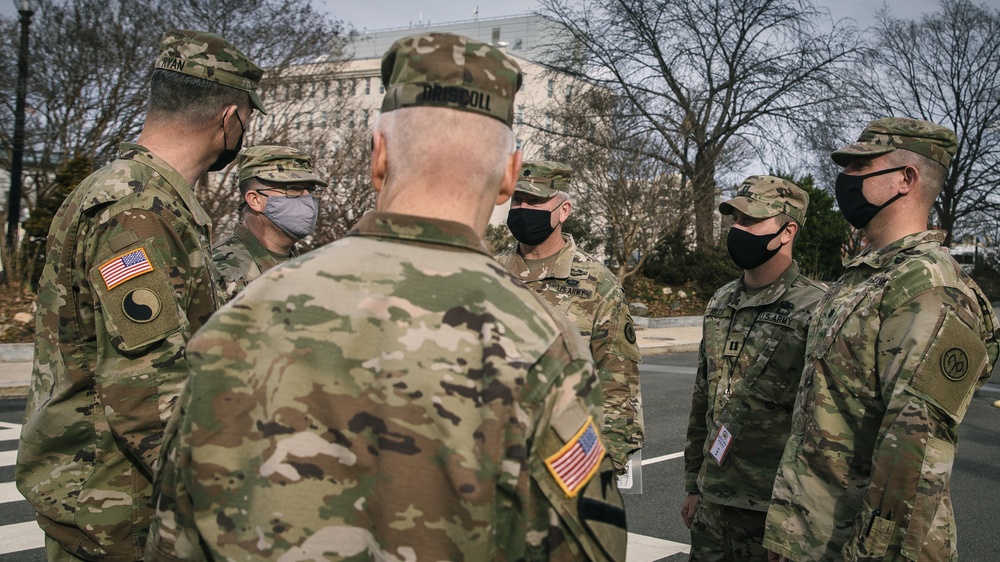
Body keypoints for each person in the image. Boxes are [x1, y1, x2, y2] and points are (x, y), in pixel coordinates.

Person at [145, 32, 627, 561]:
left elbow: (176, 534)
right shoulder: (542, 340)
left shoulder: (244, 314)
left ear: (378, 157)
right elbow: (587, 547)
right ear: (509, 178)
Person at [14, 29, 264, 561]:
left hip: (116, 507)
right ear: (230, 118)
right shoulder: (137, 207)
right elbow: (148, 392)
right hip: (122, 518)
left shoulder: (136, 194)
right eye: (249, 117)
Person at [763, 118, 1000, 561]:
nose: (845, 178)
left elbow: (915, 450)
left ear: (907, 179)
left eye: (860, 166)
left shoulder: (932, 288)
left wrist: (871, 552)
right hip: (815, 537)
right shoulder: (867, 275)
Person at [680, 175, 825, 561]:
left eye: (750, 221)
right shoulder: (721, 301)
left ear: (787, 231)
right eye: (735, 220)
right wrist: (695, 484)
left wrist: (796, 522)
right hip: (713, 503)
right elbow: (703, 399)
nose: (737, 230)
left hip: (771, 512)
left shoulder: (818, 309)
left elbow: (821, 427)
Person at [495, 161, 643, 474]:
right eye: (517, 200)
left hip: (563, 467)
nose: (523, 209)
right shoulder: (488, 274)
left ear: (563, 210)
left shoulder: (597, 284)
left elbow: (617, 385)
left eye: (535, 202)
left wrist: (603, 466)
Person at [214, 145, 327, 302]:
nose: (308, 199)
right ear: (255, 200)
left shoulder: (309, 269)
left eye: (311, 190)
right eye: (294, 189)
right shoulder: (216, 269)